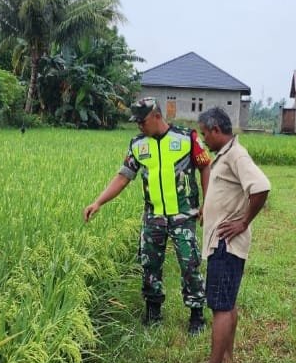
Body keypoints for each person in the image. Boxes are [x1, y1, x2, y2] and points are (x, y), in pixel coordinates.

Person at [83, 97, 212, 334]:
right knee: (149, 264)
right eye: (137, 122)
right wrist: (98, 202)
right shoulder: (138, 144)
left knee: (189, 263)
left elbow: (205, 166)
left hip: (183, 214)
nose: (139, 126)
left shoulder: (186, 138)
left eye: (142, 121)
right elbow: (124, 176)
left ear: (157, 116)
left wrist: (207, 201)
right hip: (153, 216)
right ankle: (153, 312)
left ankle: (196, 315)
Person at [185, 107, 270, 363]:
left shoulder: (236, 155)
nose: (203, 139)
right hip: (221, 242)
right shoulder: (225, 154)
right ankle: (227, 358)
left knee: (220, 305)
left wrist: (243, 222)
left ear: (216, 130)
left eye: (205, 133)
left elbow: (261, 187)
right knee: (228, 302)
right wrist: (207, 209)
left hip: (226, 243)